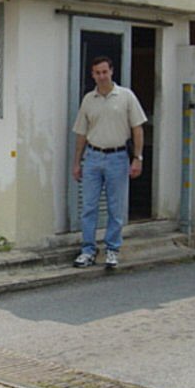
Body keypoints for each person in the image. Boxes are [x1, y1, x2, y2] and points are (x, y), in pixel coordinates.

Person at [71, 55, 147, 268]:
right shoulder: (88, 99)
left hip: (118, 157)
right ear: (92, 74)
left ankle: (112, 249)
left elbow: (137, 128)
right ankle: (88, 250)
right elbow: (81, 134)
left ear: (112, 71)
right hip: (93, 157)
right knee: (88, 206)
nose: (102, 76)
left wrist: (137, 158)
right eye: (97, 73)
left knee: (116, 207)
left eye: (105, 72)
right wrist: (77, 162)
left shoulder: (125, 96)